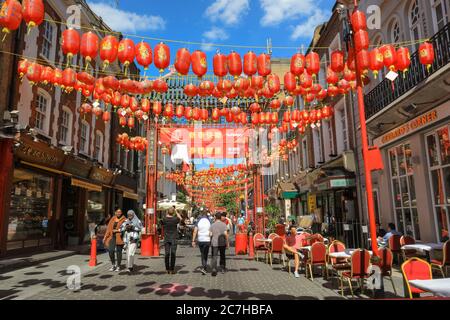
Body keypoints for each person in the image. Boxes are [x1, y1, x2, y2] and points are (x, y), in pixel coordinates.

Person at [161, 207, 182, 274]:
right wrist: (176, 212)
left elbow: (161, 223)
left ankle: (167, 269)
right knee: (173, 254)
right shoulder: (175, 219)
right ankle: (172, 269)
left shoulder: (164, 219)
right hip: (174, 238)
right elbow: (181, 218)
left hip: (167, 238)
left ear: (167, 212)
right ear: (173, 213)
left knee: (167, 254)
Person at [192, 210, 212, 275]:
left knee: (202, 253)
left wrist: (193, 240)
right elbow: (211, 231)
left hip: (200, 239)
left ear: (201, 214)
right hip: (207, 240)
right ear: (207, 214)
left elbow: (195, 231)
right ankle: (204, 267)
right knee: (205, 253)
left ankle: (204, 266)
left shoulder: (198, 221)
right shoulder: (209, 221)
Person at [209, 212, 229, 276]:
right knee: (222, 255)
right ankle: (222, 268)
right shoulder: (224, 225)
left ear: (215, 217)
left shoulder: (212, 225)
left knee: (214, 256)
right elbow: (226, 234)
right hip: (222, 242)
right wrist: (227, 242)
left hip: (214, 243)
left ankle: (214, 269)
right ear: (220, 217)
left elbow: (210, 234)